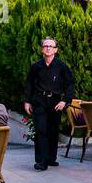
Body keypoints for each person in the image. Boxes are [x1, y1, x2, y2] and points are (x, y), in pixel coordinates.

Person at [25, 36, 75, 171]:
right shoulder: (36, 66)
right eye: (45, 46)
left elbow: (70, 85)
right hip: (39, 101)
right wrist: (27, 101)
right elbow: (29, 84)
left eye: (51, 46)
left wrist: (65, 101)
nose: (48, 48)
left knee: (52, 131)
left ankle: (51, 158)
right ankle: (41, 161)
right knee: (40, 130)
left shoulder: (61, 66)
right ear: (42, 49)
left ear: (56, 50)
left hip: (55, 102)